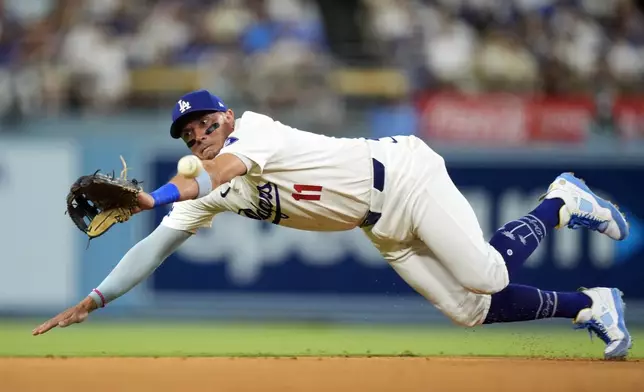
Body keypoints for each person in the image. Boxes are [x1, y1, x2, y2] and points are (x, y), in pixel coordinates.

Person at [32, 90, 632, 359]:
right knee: (469, 311)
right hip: (378, 225)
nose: (200, 135)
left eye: (206, 124)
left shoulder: (253, 134)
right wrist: (96, 297)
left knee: (487, 274)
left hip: (404, 176)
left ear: (228, 117)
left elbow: (220, 173)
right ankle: (593, 305)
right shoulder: (203, 185)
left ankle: (559, 199)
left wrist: (151, 197)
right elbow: (156, 247)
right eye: (190, 135)